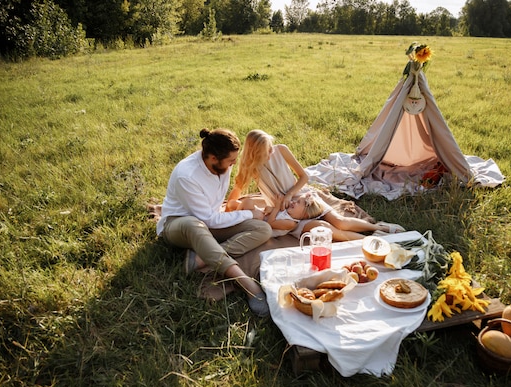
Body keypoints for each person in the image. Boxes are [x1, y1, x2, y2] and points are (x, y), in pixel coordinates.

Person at [157, 128, 272, 317]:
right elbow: (208, 219)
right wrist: (249, 213)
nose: (234, 164)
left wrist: (249, 214)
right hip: (179, 226)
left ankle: (200, 259)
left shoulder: (223, 164)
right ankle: (248, 285)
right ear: (212, 158)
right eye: (231, 162)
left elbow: (213, 216)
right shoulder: (187, 176)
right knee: (195, 224)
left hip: (210, 222)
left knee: (263, 229)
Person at [227, 129, 405, 241]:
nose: (271, 151)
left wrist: (290, 194)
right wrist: (228, 212)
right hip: (286, 212)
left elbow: (303, 177)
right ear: (255, 153)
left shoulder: (281, 150)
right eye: (267, 151)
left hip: (302, 197)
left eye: (271, 147)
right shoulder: (249, 168)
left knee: (339, 221)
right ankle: (372, 241)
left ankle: (379, 227)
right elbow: (236, 193)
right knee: (327, 230)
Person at [232, 192, 324, 237]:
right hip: (261, 216)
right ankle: (233, 214)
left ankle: (233, 220)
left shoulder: (291, 223)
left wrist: (276, 207)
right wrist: (270, 209)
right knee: (244, 202)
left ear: (305, 215)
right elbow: (275, 213)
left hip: (260, 225)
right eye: (296, 200)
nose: (294, 202)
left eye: (298, 202)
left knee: (247, 203)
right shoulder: (288, 211)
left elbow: (270, 223)